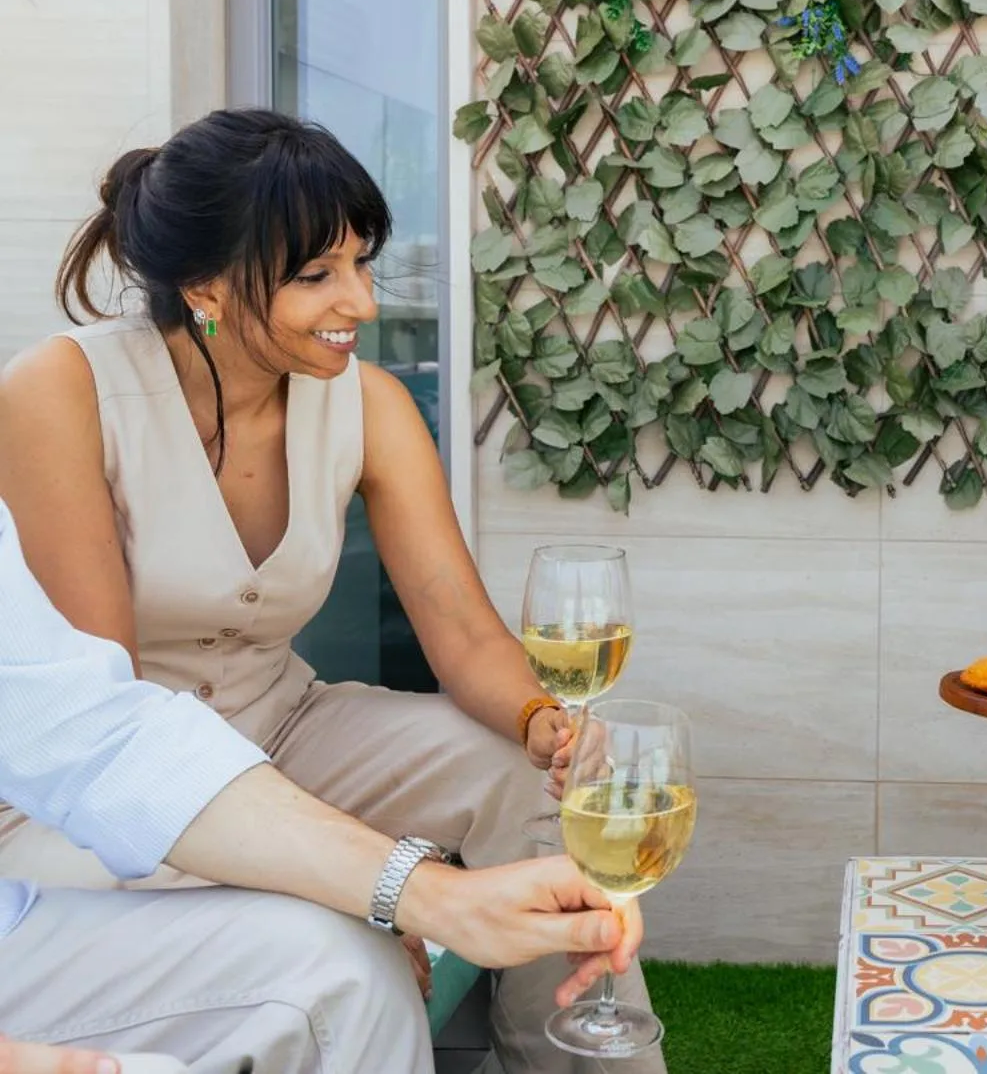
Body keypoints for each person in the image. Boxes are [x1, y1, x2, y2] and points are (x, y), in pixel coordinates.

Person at [0, 108, 661, 1073]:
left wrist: (540, 720)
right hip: (103, 804)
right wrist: (372, 889)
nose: (360, 297)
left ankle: (578, 1057)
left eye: (361, 261)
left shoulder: (370, 402)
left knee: (534, 777)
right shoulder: (58, 393)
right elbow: (114, 723)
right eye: (317, 274)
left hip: (288, 726)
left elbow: (466, 637)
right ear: (207, 286)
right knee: (338, 936)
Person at [0, 494, 642, 1073]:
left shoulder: (359, 398)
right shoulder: (60, 388)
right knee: (351, 943)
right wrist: (358, 895)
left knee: (358, 969)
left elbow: (101, 738)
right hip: (69, 828)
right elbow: (111, 790)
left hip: (268, 732)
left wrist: (421, 892)